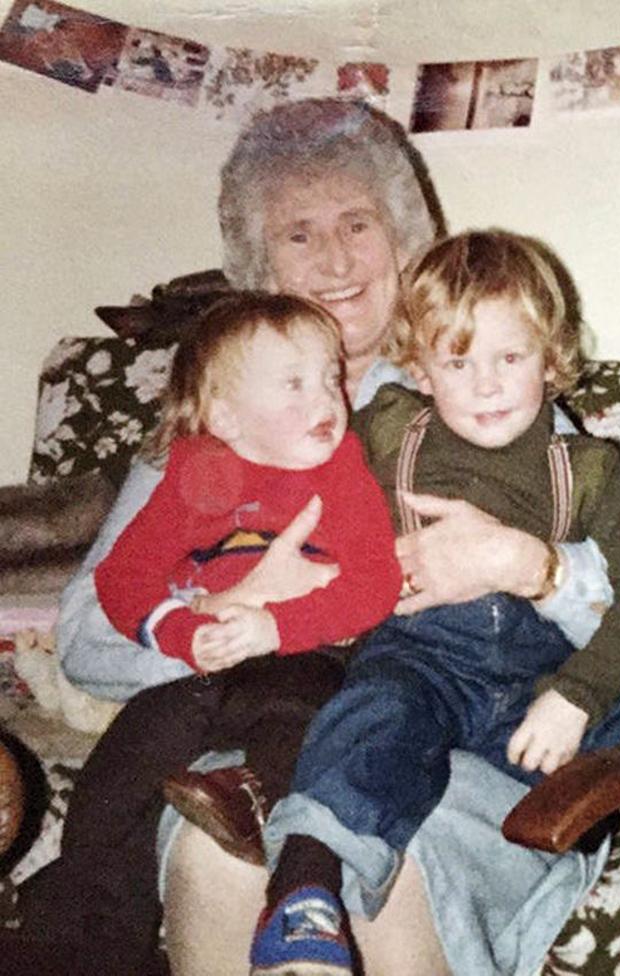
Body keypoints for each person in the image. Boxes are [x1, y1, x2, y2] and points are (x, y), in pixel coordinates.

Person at [17, 98, 617, 976]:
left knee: (401, 858)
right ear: (259, 261)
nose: (334, 260)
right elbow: (85, 639)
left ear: (402, 239)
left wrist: (526, 565)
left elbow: (616, 600)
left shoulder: (480, 382)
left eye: (356, 224)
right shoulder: (223, 416)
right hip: (266, 734)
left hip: (462, 735)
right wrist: (230, 608)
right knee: (223, 843)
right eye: (298, 235)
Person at [245, 228, 620, 974]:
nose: (485, 385)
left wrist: (576, 697)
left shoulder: (586, 470)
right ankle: (303, 894)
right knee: (369, 718)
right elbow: (291, 476)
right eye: (458, 361)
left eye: (509, 359)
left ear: (551, 360)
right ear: (418, 369)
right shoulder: (390, 428)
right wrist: (271, 568)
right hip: (420, 658)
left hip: (543, 677)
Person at [89, 291, 400, 870]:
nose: (326, 398)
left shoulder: (343, 473)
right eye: (294, 384)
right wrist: (182, 630)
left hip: (308, 660)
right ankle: (81, 918)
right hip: (207, 669)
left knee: (298, 719)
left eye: (330, 379)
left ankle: (263, 822)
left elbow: (375, 583)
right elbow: (122, 576)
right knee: (123, 767)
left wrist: (275, 626)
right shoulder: (196, 471)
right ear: (226, 417)